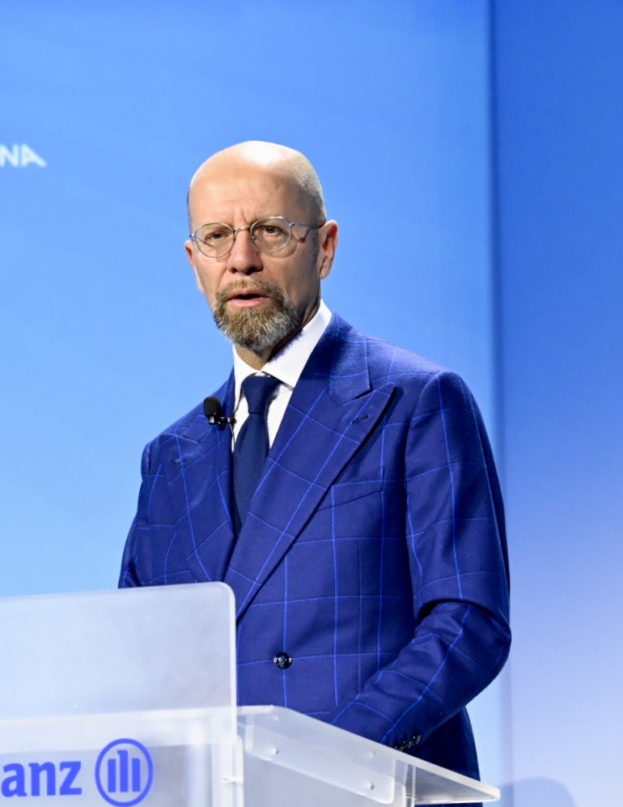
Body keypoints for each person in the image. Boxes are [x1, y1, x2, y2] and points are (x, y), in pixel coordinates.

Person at [117, 141, 511, 781]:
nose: (242, 259)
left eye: (270, 231)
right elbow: (140, 658)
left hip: (372, 785)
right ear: (195, 263)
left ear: (324, 247)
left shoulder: (415, 401)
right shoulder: (169, 458)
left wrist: (327, 760)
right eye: (217, 237)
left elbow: (468, 621)